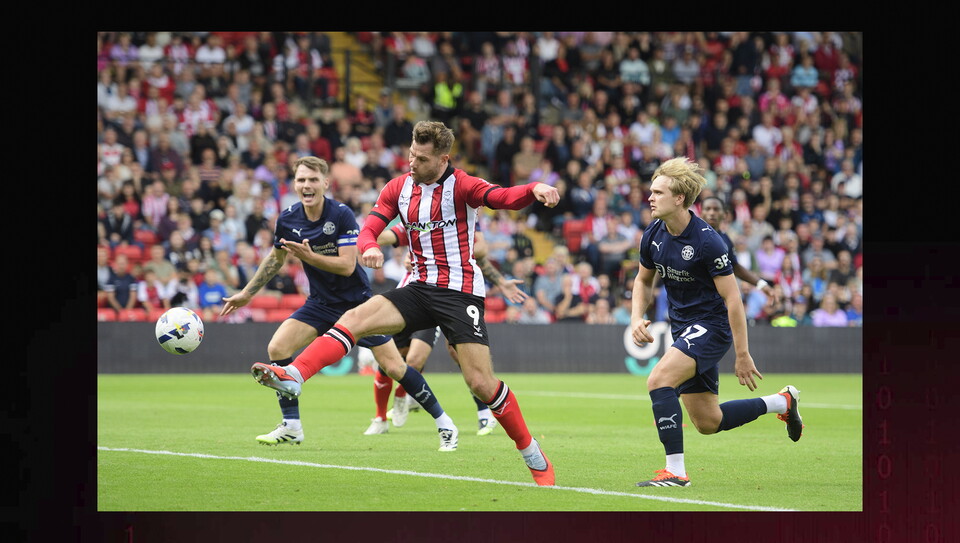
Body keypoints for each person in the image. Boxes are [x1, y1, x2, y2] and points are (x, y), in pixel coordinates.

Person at [247, 122, 559, 485]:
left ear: (443, 160)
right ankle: (295, 375)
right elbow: (369, 229)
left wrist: (534, 188)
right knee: (356, 317)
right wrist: (370, 247)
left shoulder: (463, 185)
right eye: (411, 154)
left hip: (459, 292)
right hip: (418, 286)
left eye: (422, 159)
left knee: (480, 383)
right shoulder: (398, 187)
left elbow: (503, 197)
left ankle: (530, 450)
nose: (412, 163)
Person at [220, 156, 459, 451]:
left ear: (325, 183)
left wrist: (310, 257)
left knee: (395, 367)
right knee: (277, 348)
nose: (306, 185)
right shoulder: (288, 219)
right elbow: (276, 258)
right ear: (294, 184)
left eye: (312, 180)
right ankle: (291, 426)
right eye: (301, 180)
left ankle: (444, 422)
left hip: (356, 306)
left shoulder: (341, 214)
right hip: (319, 304)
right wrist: (247, 293)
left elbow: (347, 265)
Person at [629, 157, 803, 488]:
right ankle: (782, 402)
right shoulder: (652, 234)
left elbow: (733, 299)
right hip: (684, 328)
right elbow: (642, 280)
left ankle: (675, 472)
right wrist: (637, 316)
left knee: (659, 380)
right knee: (709, 422)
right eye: (651, 191)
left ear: (679, 198)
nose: (649, 197)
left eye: (658, 192)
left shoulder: (708, 241)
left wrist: (742, 353)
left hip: (712, 326)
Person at [369, 224, 525, 436]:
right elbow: (392, 235)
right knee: (389, 357)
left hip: (454, 295)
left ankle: (483, 413)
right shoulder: (416, 216)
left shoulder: (463, 216)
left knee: (445, 355)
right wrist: (368, 242)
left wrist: (499, 281)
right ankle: (389, 411)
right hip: (413, 295)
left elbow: (480, 249)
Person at [699, 196, 777, 301]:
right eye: (707, 209)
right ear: (701, 213)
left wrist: (762, 284)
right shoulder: (694, 237)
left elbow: (735, 266)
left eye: (716, 209)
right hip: (694, 298)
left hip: (715, 299)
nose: (712, 213)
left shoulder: (725, 239)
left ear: (725, 214)